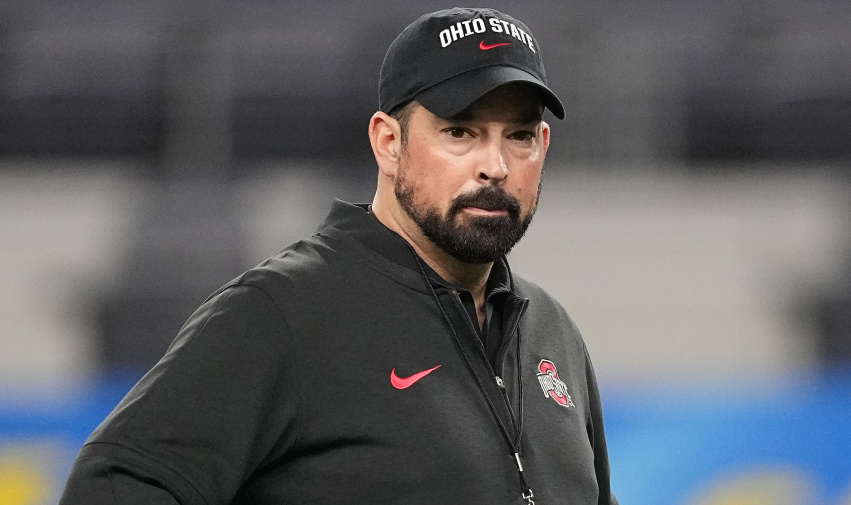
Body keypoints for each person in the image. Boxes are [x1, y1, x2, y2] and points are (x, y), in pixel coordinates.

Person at [61, 7, 618, 505]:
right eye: (460, 132)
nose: (495, 165)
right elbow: (112, 487)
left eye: (518, 136)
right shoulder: (280, 313)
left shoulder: (552, 333)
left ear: (543, 146)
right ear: (388, 143)